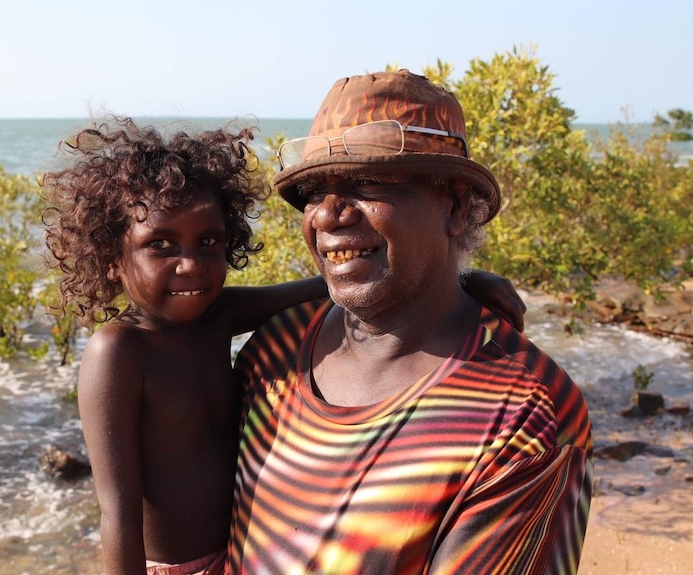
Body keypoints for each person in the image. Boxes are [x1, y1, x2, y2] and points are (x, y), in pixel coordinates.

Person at [41, 117, 525, 575]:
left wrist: (459, 277)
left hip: (242, 555)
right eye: (161, 246)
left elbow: (331, 284)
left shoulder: (218, 316)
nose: (190, 265)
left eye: (208, 242)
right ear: (110, 258)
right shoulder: (118, 353)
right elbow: (118, 512)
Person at [226, 70, 593, 575]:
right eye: (314, 190)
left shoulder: (521, 416)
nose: (329, 213)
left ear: (456, 207)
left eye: (368, 182)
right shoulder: (276, 348)